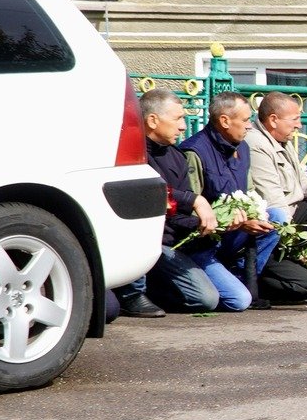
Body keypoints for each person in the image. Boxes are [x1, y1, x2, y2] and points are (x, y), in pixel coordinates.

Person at [110, 87, 219, 316]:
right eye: (178, 118)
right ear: (152, 120)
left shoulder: (176, 156)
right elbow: (142, 191)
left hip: (167, 243)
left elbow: (177, 214)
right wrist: (194, 200)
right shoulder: (130, 151)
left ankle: (155, 288)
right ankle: (131, 294)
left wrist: (206, 224)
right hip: (137, 240)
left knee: (207, 299)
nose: (183, 126)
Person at [182, 91, 280, 303]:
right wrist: (235, 222)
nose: (249, 126)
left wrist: (254, 216)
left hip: (233, 235)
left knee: (276, 219)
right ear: (225, 121)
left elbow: (250, 193)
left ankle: (238, 274)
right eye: (245, 120)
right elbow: (190, 212)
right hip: (203, 243)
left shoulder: (242, 147)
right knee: (239, 300)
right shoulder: (194, 152)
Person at [247, 91, 307, 224]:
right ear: (273, 120)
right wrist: (288, 231)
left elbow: (302, 181)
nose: (299, 125)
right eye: (295, 119)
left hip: (295, 209)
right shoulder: (257, 144)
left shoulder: (282, 139)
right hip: (281, 217)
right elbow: (273, 199)